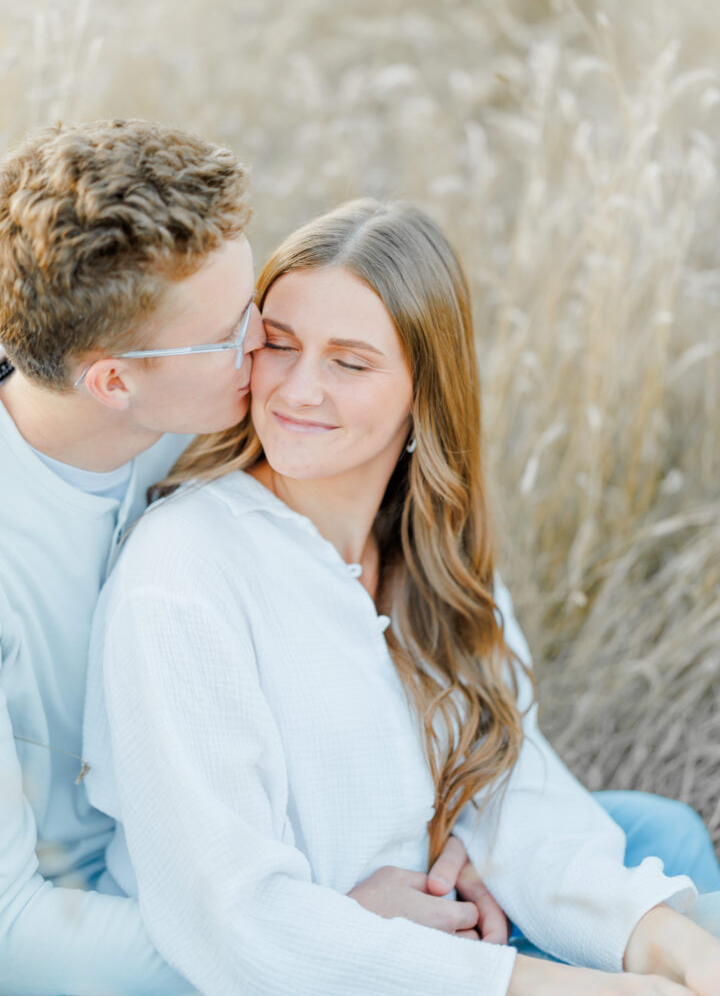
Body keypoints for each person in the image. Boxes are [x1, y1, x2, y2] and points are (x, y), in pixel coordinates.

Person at [84, 198, 720, 996]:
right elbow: (239, 923)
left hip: (435, 937)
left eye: (349, 363)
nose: (298, 391)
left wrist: (677, 952)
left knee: (688, 902)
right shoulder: (182, 576)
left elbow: (514, 795)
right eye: (277, 345)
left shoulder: (434, 559)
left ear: (425, 392)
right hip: (301, 974)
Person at [0, 119, 536, 995]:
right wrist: (325, 925)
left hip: (307, 828)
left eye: (254, 304)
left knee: (651, 838)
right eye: (231, 334)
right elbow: (13, 936)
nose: (265, 348)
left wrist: (464, 836)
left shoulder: (202, 412)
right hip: (137, 925)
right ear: (112, 382)